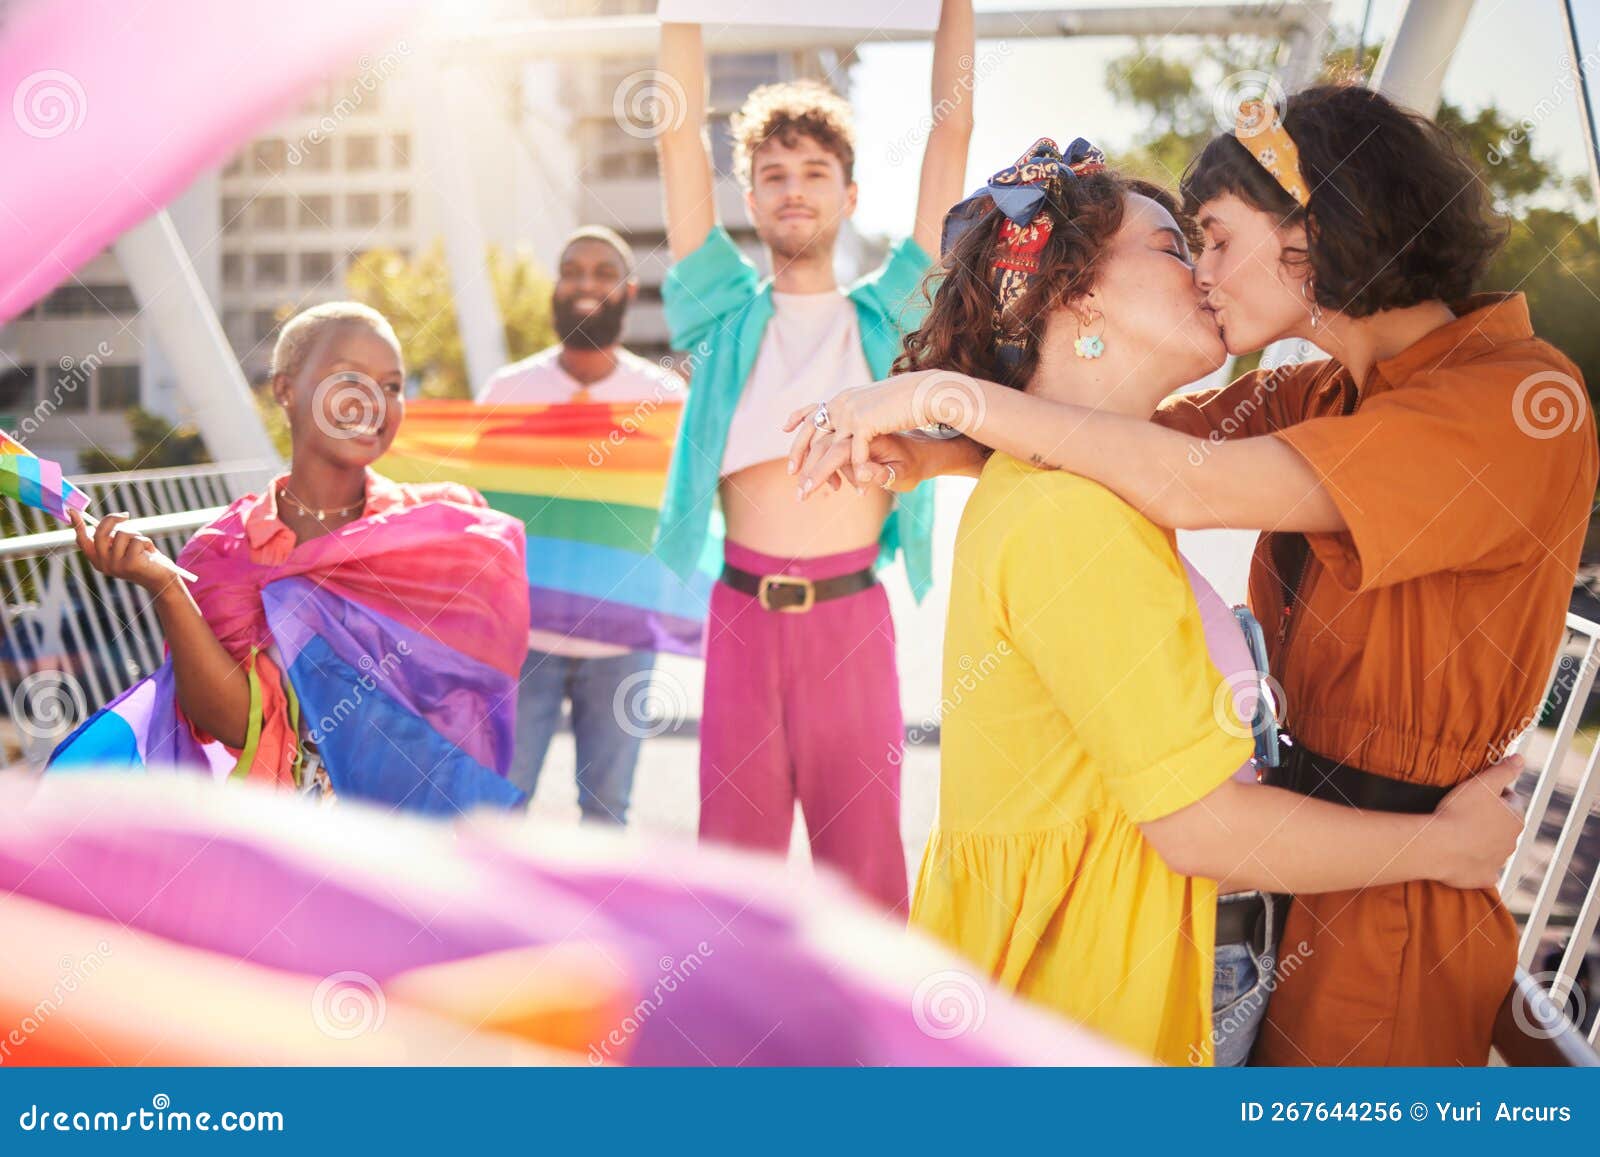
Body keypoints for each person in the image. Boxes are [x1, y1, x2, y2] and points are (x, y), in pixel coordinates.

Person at [789, 85, 1596, 1065]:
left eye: (1209, 236)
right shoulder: (1318, 394)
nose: (1206, 273)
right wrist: (935, 450)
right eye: (1182, 246)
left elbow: (1176, 472)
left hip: (1378, 902)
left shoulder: (1503, 403)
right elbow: (1118, 443)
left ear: (1319, 225)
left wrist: (937, 398)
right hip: (1275, 891)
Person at [649, 2, 974, 913]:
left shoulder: (891, 313)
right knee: (734, 884)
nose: (794, 189)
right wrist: (680, 15)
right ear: (749, 199)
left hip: (851, 622)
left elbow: (952, 135)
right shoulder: (718, 312)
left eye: (816, 172)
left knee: (865, 877)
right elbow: (679, 138)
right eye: (774, 174)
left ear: (849, 195)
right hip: (742, 617)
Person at [56, 302, 530, 815]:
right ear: (285, 390)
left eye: (392, 386)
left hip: (420, 841)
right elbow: (238, 725)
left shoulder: (442, 528)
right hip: (293, 841)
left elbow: (478, 694)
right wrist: (166, 588)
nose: (373, 400)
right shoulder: (221, 555)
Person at [479, 226, 684, 824]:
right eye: (573, 270)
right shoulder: (507, 392)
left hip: (622, 641)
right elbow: (476, 513)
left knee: (607, 810)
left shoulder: (665, 398)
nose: (586, 283)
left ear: (628, 289)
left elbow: (687, 515)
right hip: (523, 642)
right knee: (499, 802)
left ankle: (593, 921)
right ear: (556, 284)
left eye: (603, 272)